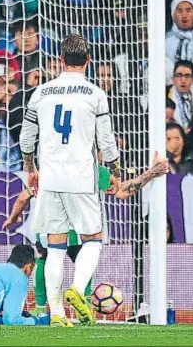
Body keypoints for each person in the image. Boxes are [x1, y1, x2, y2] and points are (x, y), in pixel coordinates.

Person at [19, 34, 120, 327]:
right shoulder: (95, 94)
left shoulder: (40, 93)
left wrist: (31, 168)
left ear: (61, 61)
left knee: (55, 247)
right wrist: (114, 171)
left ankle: (57, 314)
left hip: (50, 178)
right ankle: (77, 289)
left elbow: (27, 139)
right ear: (88, 61)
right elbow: (106, 141)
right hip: (81, 178)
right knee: (93, 240)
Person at [2, 152, 169, 315]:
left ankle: (40, 308)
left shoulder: (51, 168)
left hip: (49, 229)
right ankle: (85, 303)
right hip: (79, 231)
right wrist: (151, 173)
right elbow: (123, 192)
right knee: (85, 263)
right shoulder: (95, 170)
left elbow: (24, 196)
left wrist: (13, 218)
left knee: (44, 261)